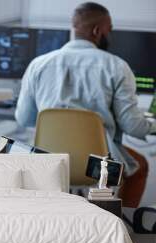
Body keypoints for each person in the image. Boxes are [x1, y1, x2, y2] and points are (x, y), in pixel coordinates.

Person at [14, 2, 156, 208]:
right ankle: (119, 224)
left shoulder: (39, 64)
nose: (110, 35)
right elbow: (133, 126)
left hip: (47, 161)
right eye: (110, 30)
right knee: (139, 166)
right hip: (98, 166)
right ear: (97, 31)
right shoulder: (117, 66)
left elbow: (24, 118)